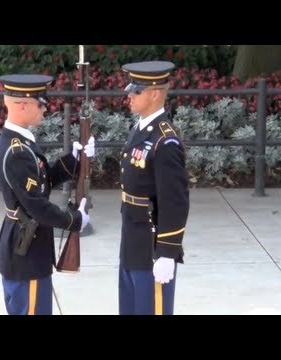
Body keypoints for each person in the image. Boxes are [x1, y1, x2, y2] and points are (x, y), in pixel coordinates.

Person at [0, 73, 95, 315]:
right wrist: (75, 220)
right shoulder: (17, 150)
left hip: (27, 248)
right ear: (21, 105)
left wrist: (74, 160)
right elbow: (37, 206)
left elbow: (42, 180)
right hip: (27, 250)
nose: (44, 110)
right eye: (40, 105)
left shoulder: (19, 142)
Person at [118, 61, 190, 315]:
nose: (130, 95)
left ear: (156, 93)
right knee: (130, 308)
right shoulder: (141, 129)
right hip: (133, 239)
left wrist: (168, 252)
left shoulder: (164, 140)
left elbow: (175, 201)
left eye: (136, 91)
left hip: (151, 245)